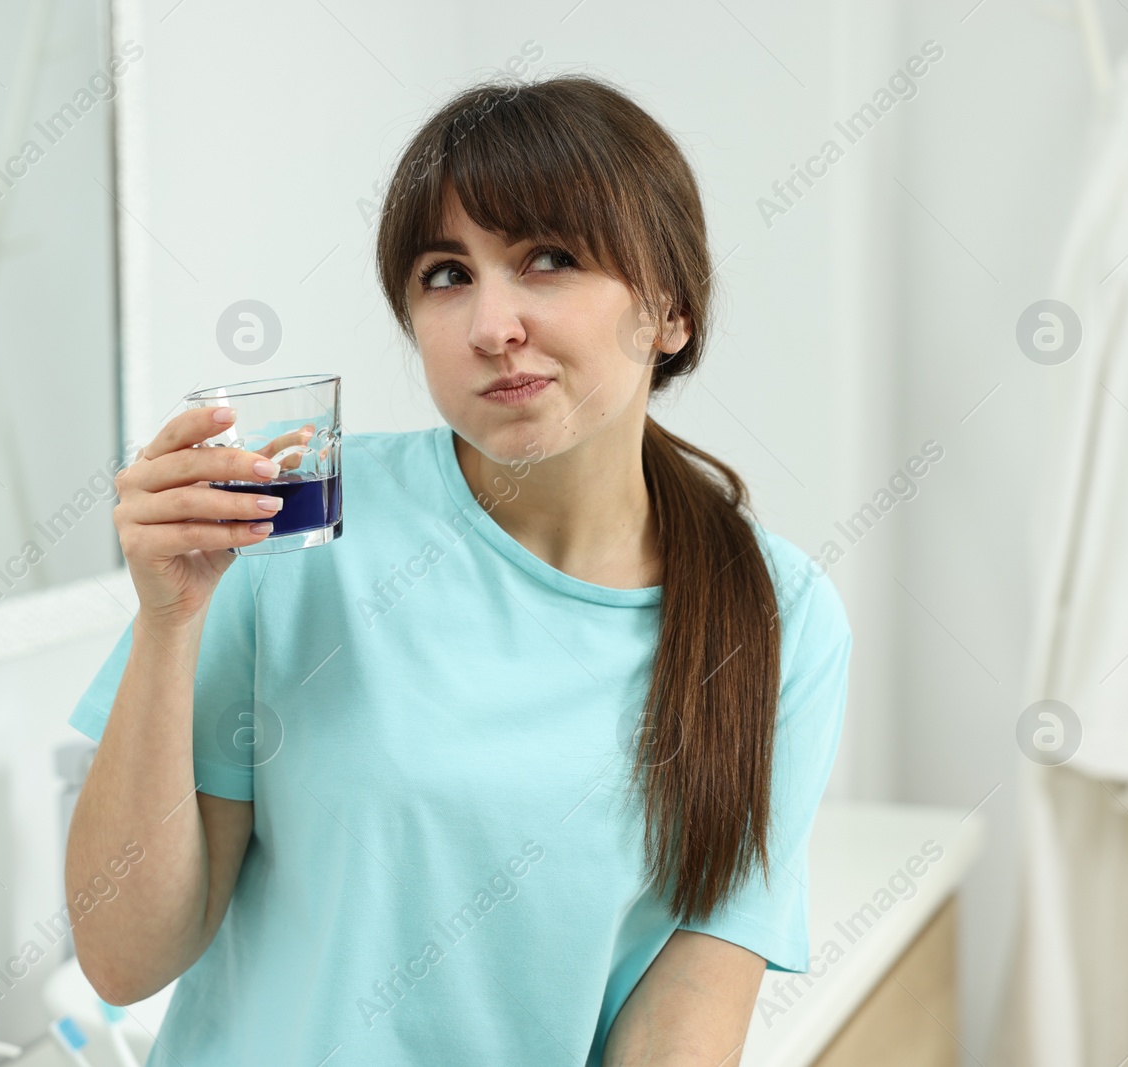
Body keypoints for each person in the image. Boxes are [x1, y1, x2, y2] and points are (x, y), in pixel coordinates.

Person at [63, 73, 851, 1067]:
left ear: (669, 309)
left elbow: (684, 1019)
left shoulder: (778, 617)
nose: (491, 324)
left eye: (549, 259)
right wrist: (171, 621)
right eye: (447, 274)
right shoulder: (297, 529)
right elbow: (123, 958)